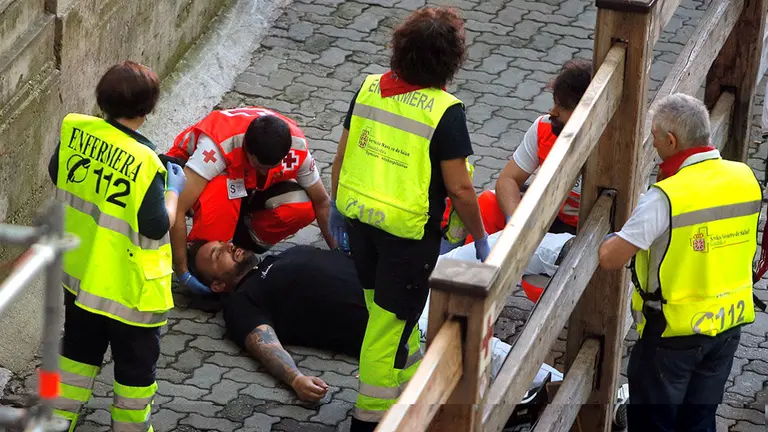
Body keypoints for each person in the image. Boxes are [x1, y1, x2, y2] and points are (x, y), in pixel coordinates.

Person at [329, 7, 489, 430]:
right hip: (407, 237)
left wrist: (336, 207)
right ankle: (370, 419)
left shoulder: (367, 88)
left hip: (361, 223)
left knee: (385, 319)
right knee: (386, 328)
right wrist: (480, 236)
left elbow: (342, 158)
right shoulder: (445, 111)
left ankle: (412, 392)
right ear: (450, 61)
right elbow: (459, 188)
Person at [185, 242, 568, 403]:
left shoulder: (275, 258)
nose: (228, 246)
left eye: (222, 242)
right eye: (217, 254)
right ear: (218, 283)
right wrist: (295, 379)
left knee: (498, 245)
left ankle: (573, 248)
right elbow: (261, 341)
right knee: (489, 349)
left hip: (418, 280)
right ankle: (575, 390)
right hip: (399, 327)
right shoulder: (241, 302)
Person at [599, 93, 762, 432]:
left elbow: (611, 258)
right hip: (727, 324)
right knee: (700, 420)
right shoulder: (745, 177)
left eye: (655, 137)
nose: (653, 144)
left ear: (671, 141)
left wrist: (608, 238)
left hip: (672, 334)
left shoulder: (665, 197)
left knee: (655, 424)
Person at [47, 61, 186, 432]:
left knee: (75, 354)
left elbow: (55, 171)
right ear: (149, 108)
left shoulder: (77, 129)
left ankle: (55, 421)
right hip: (130, 292)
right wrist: (173, 190)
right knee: (135, 375)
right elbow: (156, 227)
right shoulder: (145, 162)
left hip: (81, 277)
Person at [165, 106, 336, 295]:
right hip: (203, 181)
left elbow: (322, 202)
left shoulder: (296, 148)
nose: (264, 171)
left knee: (302, 206)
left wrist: (338, 253)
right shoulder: (218, 147)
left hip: (245, 187)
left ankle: (241, 241)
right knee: (224, 190)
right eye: (258, 165)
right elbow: (178, 208)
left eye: (271, 167)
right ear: (246, 149)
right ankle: (200, 253)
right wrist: (182, 271)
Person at [441, 59, 593, 253]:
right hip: (550, 217)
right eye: (555, 102)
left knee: (539, 281)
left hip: (586, 232)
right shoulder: (543, 128)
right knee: (488, 204)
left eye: (562, 107)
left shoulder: (608, 150)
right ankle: (472, 275)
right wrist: (515, 224)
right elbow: (508, 179)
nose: (552, 111)